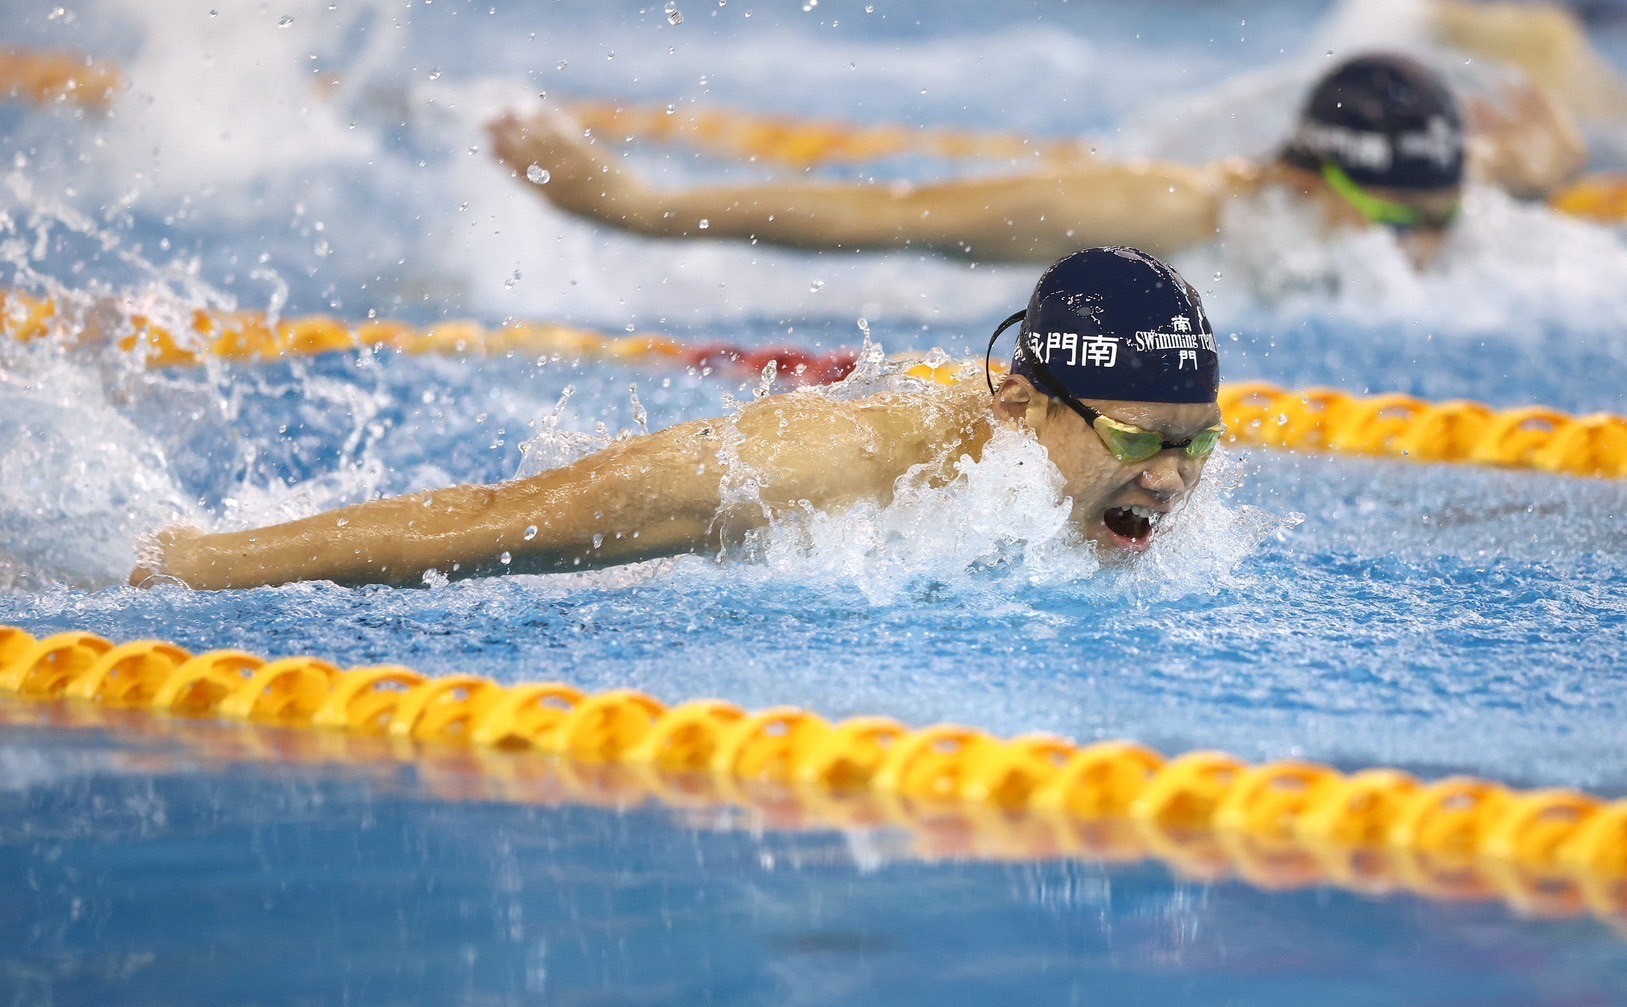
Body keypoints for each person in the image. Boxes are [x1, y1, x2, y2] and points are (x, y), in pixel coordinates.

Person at [132, 247, 1226, 590]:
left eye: (1194, 443)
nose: (1171, 482)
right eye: (1138, 440)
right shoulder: (829, 465)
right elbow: (499, 518)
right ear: (1020, 403)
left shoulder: (1111, 494)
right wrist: (188, 567)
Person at [489, 51, 1576, 268]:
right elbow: (891, 216)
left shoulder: (1409, 193)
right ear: (1304, 180)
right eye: (1401, 225)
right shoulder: (1156, 208)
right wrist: (641, 207)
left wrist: (1525, 162)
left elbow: (1501, 171)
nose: (1431, 245)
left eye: (1443, 218)